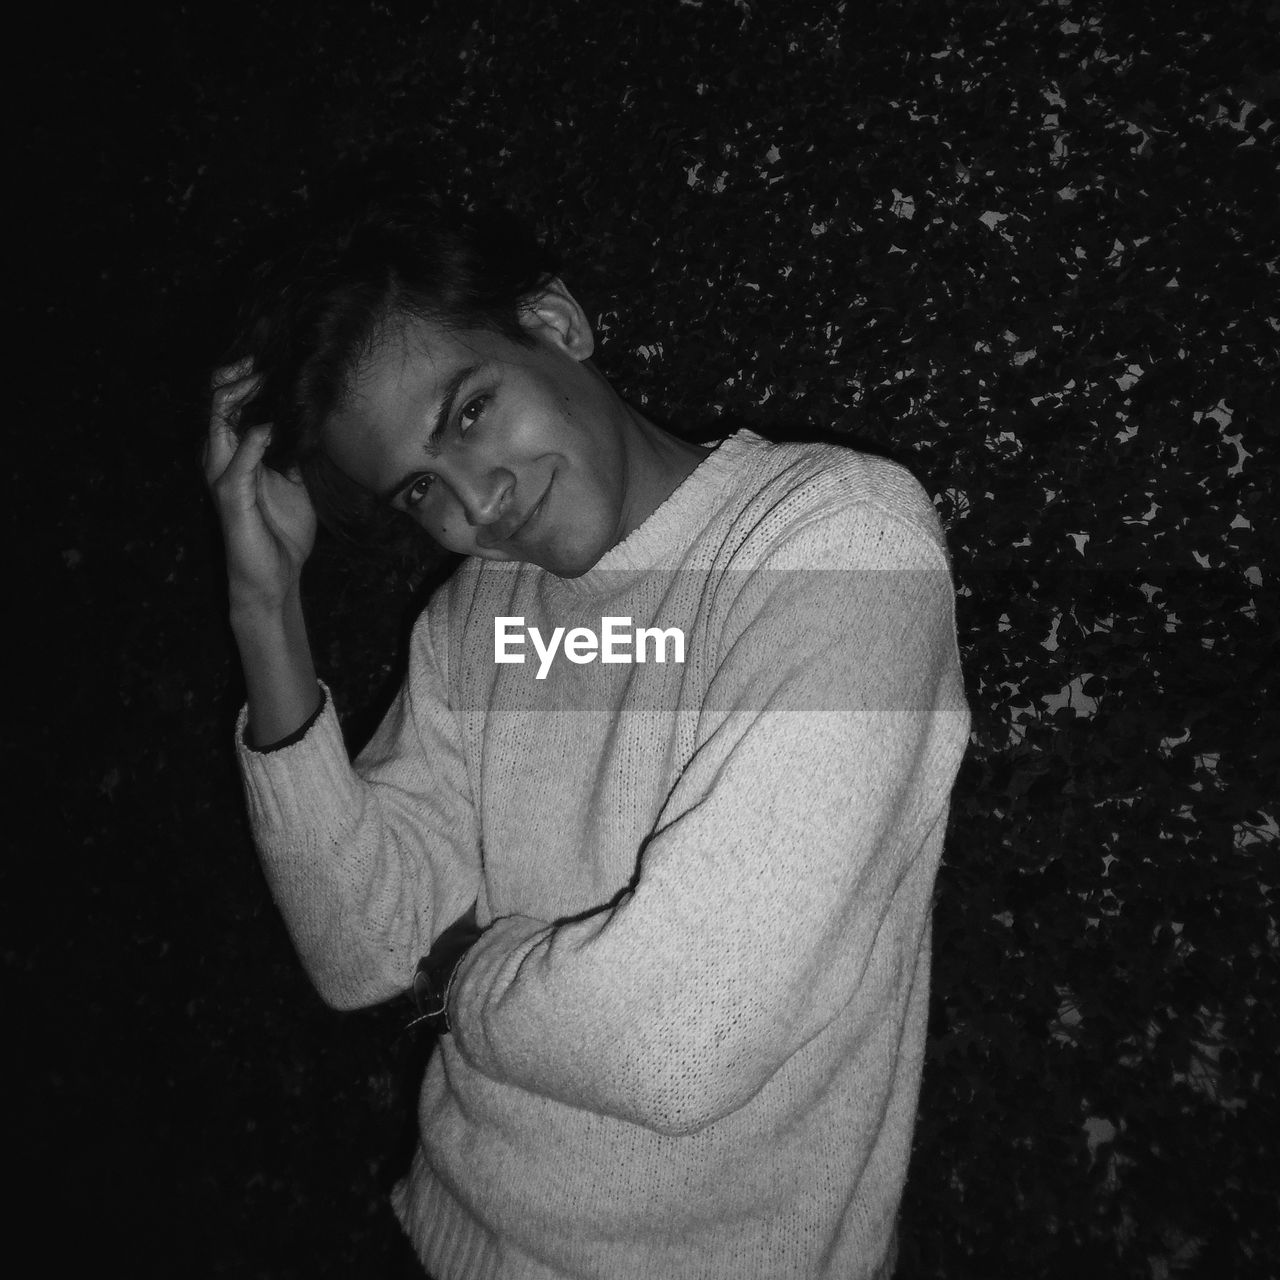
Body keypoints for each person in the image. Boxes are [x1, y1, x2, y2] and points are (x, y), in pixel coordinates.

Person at [205, 192, 970, 1280]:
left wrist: (464, 962)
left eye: (468, 411)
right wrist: (263, 610)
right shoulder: (482, 620)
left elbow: (678, 1037)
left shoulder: (837, 542)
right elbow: (360, 946)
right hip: (442, 1232)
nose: (476, 502)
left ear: (557, 326)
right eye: (420, 486)